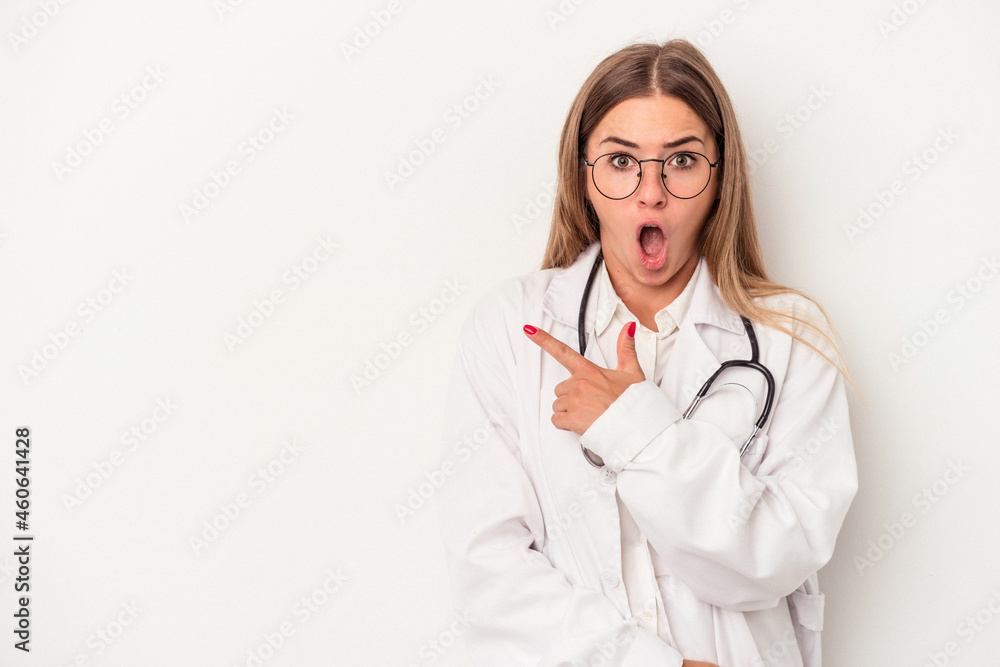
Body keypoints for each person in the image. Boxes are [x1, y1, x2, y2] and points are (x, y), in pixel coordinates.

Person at [437, 39, 857, 667]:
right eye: (620, 160)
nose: (651, 193)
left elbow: (779, 556)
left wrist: (636, 428)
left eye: (682, 161)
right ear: (584, 176)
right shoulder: (508, 326)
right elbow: (489, 572)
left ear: (721, 178)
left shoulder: (791, 337)